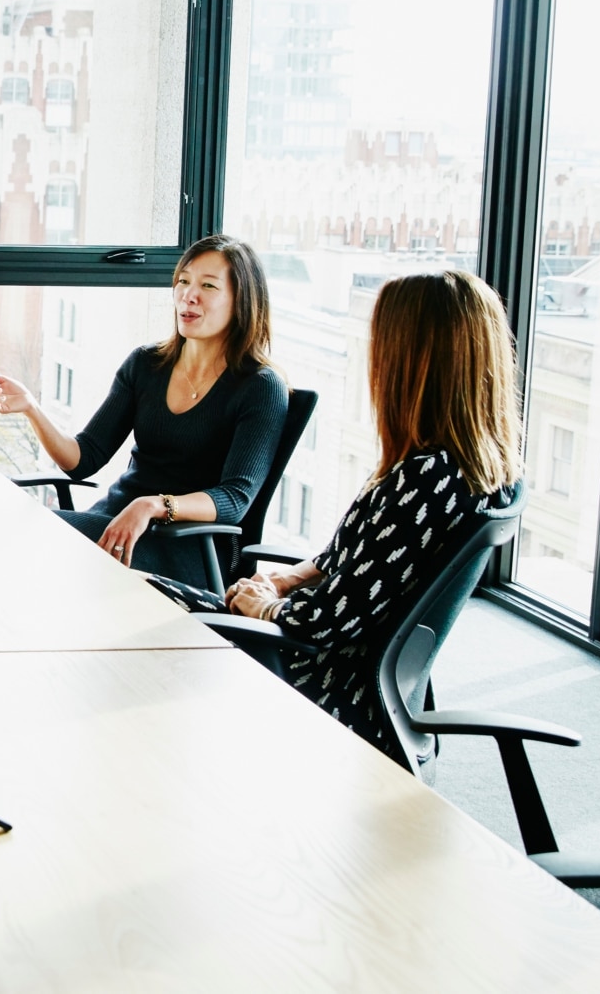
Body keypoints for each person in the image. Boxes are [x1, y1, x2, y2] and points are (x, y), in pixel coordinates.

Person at [219, 268, 524, 761]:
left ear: (411, 360)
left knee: (155, 621)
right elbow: (352, 562)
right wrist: (284, 580)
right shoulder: (475, 470)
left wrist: (265, 607)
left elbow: (326, 622)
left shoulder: (423, 482)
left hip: (326, 685)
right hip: (343, 671)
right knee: (157, 600)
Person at [0, 235, 287, 587]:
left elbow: (235, 497)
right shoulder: (146, 364)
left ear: (242, 301)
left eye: (208, 286)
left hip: (190, 547)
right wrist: (32, 409)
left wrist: (153, 505)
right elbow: (84, 459)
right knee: (1, 533)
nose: (188, 295)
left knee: (22, 537)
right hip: (115, 523)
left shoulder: (260, 387)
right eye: (183, 281)